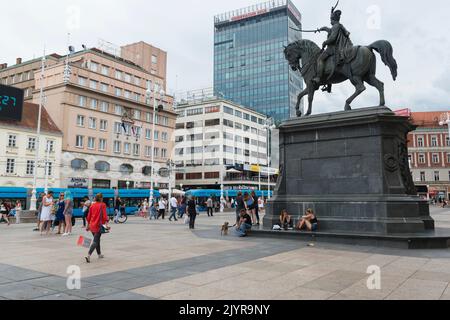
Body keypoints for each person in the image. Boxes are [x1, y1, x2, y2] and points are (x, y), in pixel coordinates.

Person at [313, 7, 353, 88]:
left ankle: (318, 77)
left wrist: (325, 42)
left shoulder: (335, 26)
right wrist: (321, 29)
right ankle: (328, 83)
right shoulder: (338, 26)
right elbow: (328, 30)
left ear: (333, 19)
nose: (330, 21)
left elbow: (332, 38)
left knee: (320, 59)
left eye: (331, 19)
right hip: (336, 48)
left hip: (333, 49)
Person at [85, 193, 109, 263]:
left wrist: (87, 225)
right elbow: (104, 216)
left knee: (97, 239)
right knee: (96, 241)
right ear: (101, 198)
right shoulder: (103, 205)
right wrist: (106, 223)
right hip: (99, 226)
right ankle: (88, 255)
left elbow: (88, 217)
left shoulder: (92, 205)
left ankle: (99, 254)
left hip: (92, 225)